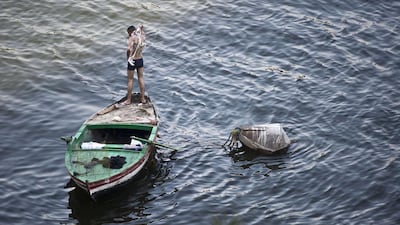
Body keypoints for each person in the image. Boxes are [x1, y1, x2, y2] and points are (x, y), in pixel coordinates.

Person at [122, 24, 146, 105]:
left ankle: (128, 100)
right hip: (140, 59)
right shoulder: (142, 37)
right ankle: (143, 99)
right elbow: (143, 34)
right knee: (141, 78)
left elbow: (129, 49)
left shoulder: (132, 38)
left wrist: (128, 58)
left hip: (133, 60)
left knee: (130, 80)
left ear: (130, 32)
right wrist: (141, 29)